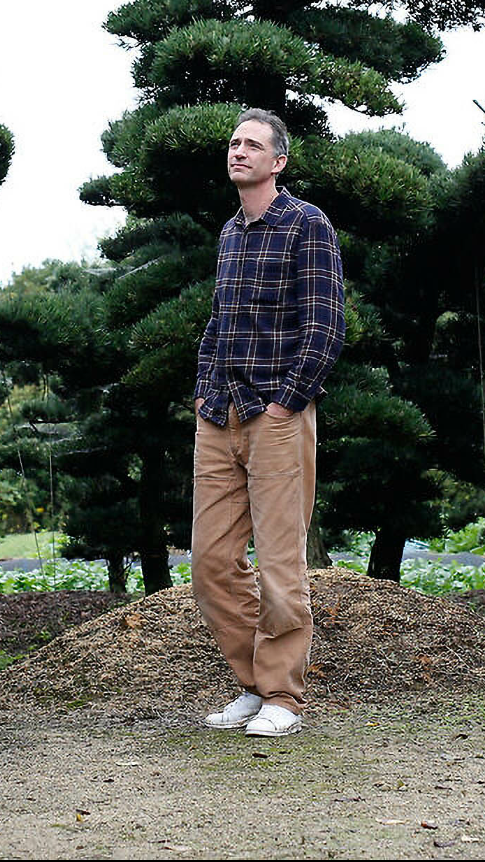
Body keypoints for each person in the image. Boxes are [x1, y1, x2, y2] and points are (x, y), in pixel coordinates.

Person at [191, 107, 345, 738]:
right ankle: (253, 686)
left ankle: (283, 695)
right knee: (210, 562)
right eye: (233, 143)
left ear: (278, 161)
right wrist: (203, 391)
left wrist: (287, 401)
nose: (239, 152)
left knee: (282, 563)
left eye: (252, 145)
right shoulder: (230, 232)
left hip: (277, 416)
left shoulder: (307, 226)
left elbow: (325, 325)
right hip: (218, 414)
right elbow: (219, 324)